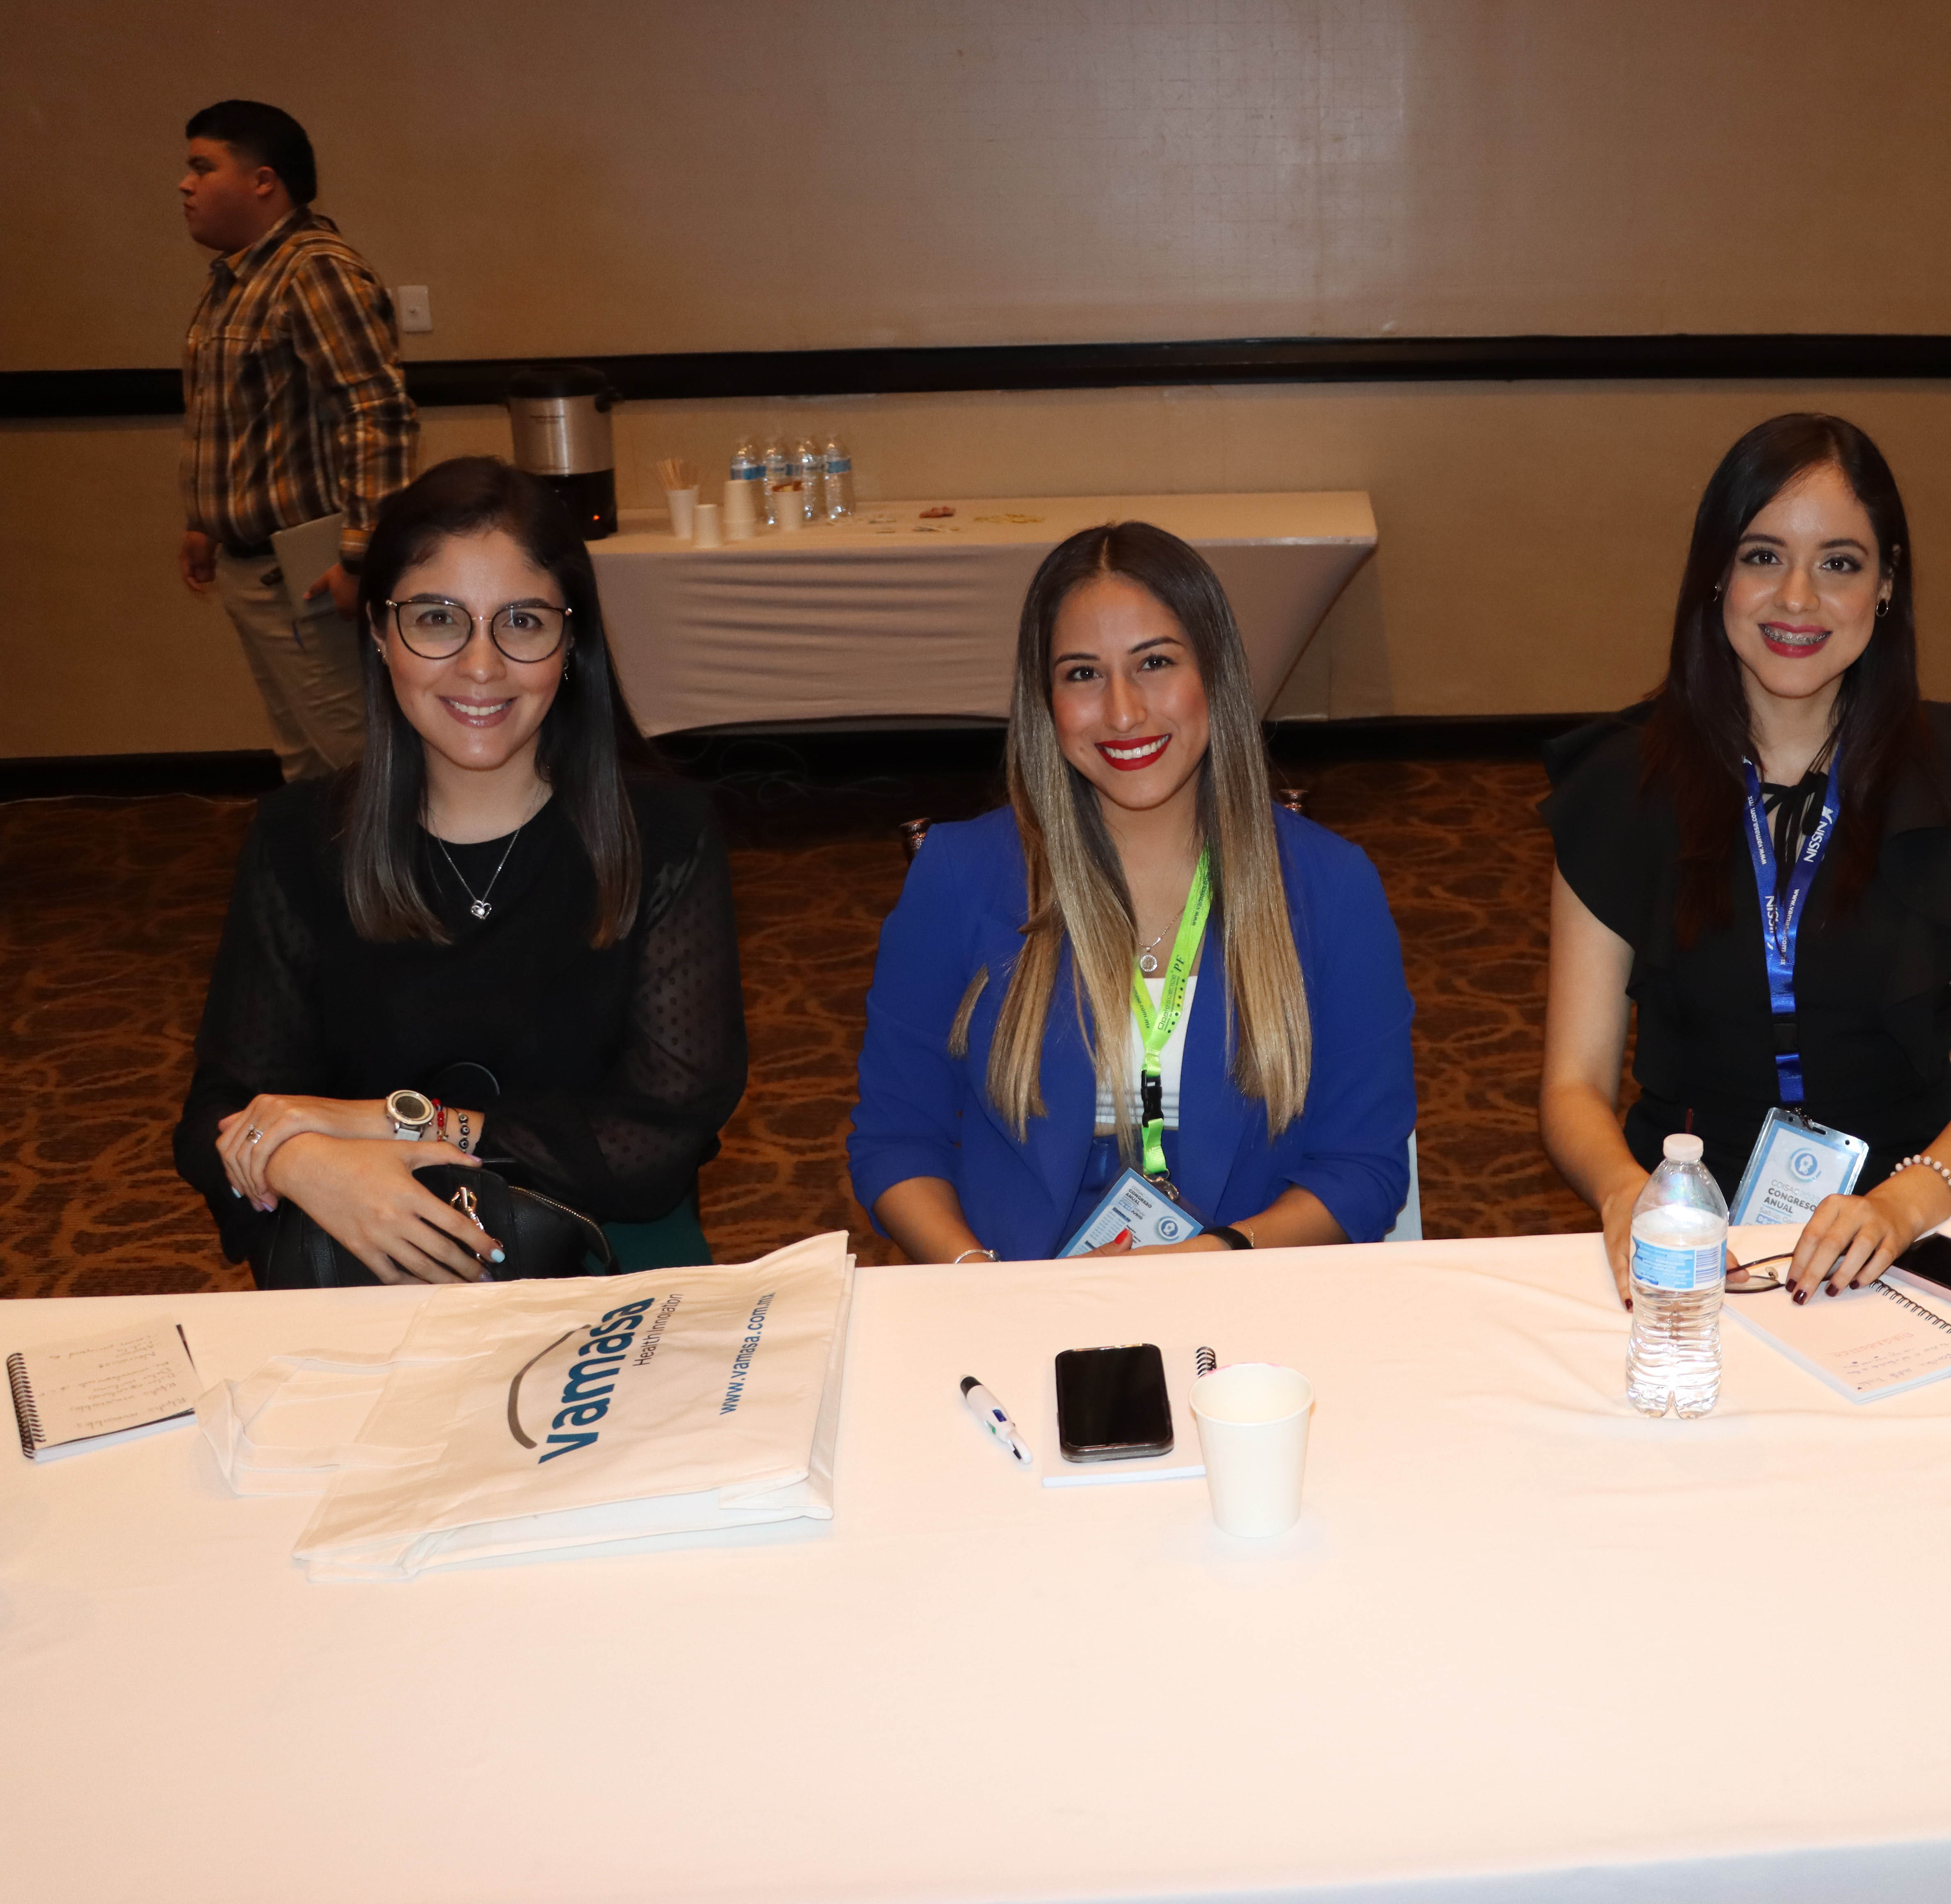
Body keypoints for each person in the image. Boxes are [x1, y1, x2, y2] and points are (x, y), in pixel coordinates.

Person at [175, 458, 747, 1286]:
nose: (482, 665)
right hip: (365, 1255)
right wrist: (310, 1162)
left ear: (570, 640)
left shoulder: (663, 833)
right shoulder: (298, 839)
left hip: (598, 1258)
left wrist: (391, 1124)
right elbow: (218, 1118)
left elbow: (658, 1138)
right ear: (377, 629)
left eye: (522, 622)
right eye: (438, 619)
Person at [1538, 414, 1951, 1307]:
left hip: (1910, 1225)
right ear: (1715, 577)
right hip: (1688, 1230)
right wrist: (1630, 1196)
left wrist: (1902, 1203)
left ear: (1887, 585)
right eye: (1763, 556)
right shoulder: (1620, 787)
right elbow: (1574, 1086)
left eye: (1840, 563)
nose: (1798, 599)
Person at [850, 522, 1416, 1262]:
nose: (1122, 712)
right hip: (1010, 1296)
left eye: (1154, 663)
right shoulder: (960, 875)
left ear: (1214, 672)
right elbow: (897, 1140)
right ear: (1044, 700)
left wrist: (1215, 1256)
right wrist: (976, 1276)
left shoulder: (1332, 887)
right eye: (1083, 674)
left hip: (1245, 1290)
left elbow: (1362, 1169)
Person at [176, 99, 418, 782]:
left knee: (362, 768)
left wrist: (362, 553)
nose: (185, 185)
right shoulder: (237, 277)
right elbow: (239, 420)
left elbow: (377, 414)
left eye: (203, 167)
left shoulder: (313, 271)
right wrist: (207, 523)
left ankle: (422, 891)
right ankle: (339, 890)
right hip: (254, 565)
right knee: (309, 768)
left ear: (263, 180)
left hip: (310, 571)